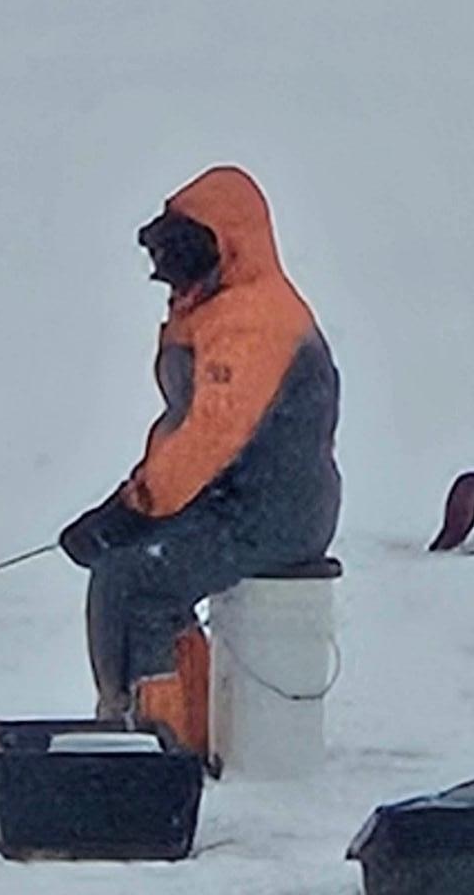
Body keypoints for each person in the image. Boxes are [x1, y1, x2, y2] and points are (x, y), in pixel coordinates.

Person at [59, 167, 341, 740]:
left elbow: (213, 432)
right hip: (231, 501)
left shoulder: (255, 319)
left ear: (225, 245)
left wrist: (138, 508)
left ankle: (158, 748)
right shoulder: (210, 311)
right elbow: (182, 430)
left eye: (182, 259)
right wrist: (134, 501)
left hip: (275, 511)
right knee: (128, 569)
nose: (171, 279)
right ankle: (149, 724)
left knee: (136, 582)